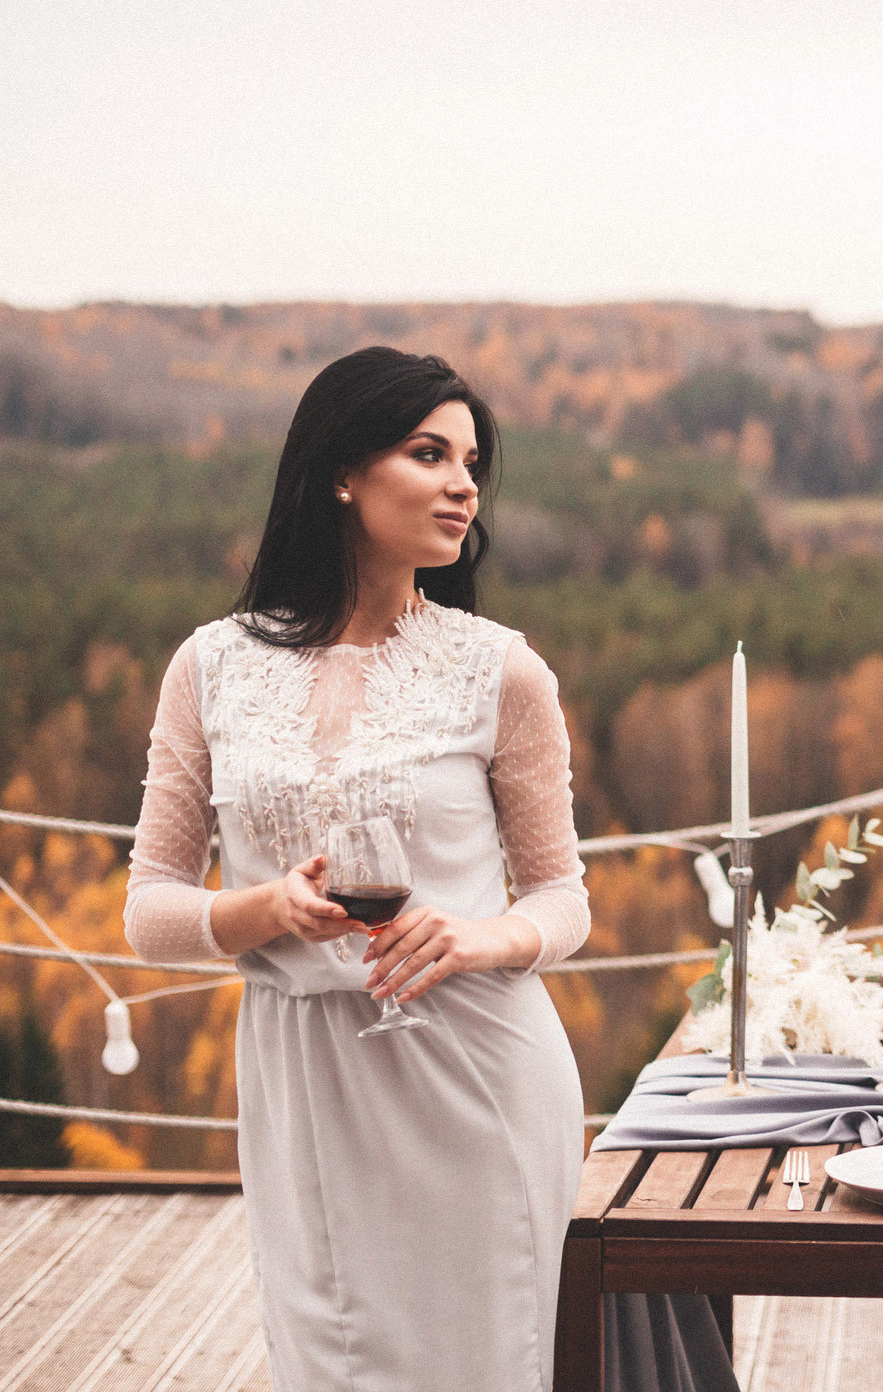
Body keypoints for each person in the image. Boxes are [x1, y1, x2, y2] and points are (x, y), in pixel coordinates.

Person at [125, 347, 591, 1391]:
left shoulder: (502, 670)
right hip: (304, 1081)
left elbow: (563, 901)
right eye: (430, 453)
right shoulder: (210, 667)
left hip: (473, 1070)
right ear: (341, 470)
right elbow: (148, 908)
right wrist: (265, 909)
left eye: (472, 462)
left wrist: (479, 937)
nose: (464, 484)